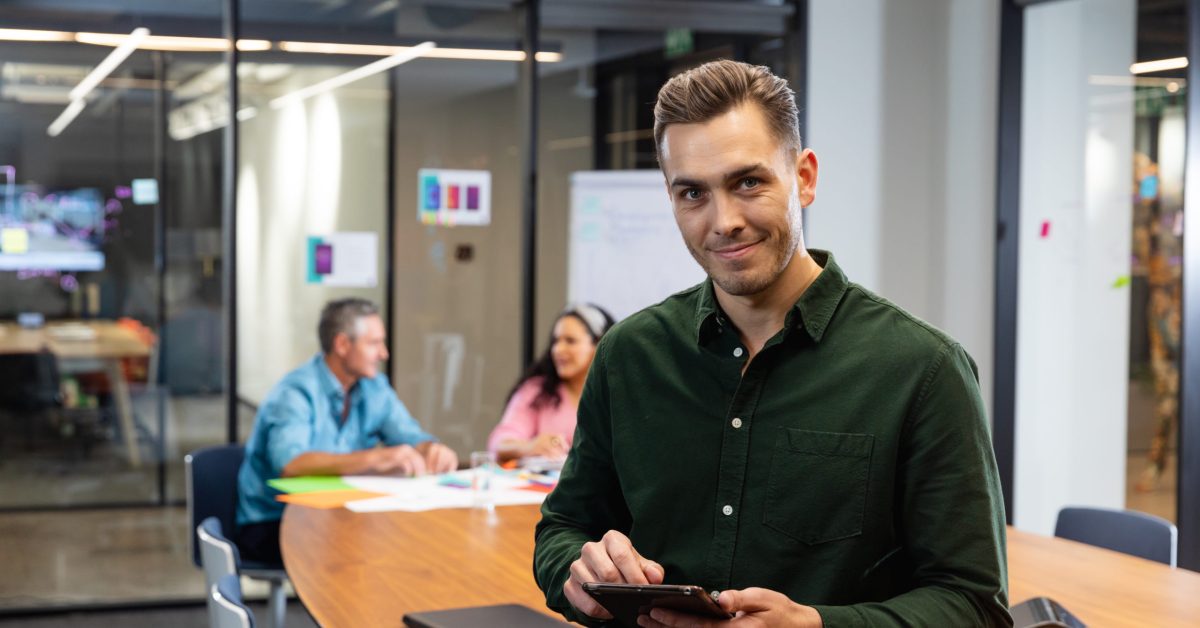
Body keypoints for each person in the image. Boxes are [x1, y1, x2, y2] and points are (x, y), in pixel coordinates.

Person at [533, 60, 1010, 627]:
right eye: (692, 193)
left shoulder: (923, 371)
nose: (723, 220)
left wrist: (817, 625)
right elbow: (564, 529)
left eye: (748, 182)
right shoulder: (629, 355)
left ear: (804, 178)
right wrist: (579, 573)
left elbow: (972, 603)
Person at [235, 298, 458, 564]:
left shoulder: (374, 387)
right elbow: (290, 464)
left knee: (416, 539)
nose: (384, 353)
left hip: (338, 512)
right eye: (374, 343)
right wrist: (375, 459)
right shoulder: (295, 392)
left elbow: (408, 435)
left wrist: (430, 449)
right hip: (274, 521)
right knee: (374, 550)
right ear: (342, 344)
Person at [487, 303, 615, 465]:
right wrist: (530, 446)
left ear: (599, 346)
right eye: (556, 341)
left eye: (570, 341)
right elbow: (499, 443)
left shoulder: (619, 395)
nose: (558, 350)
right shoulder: (537, 391)